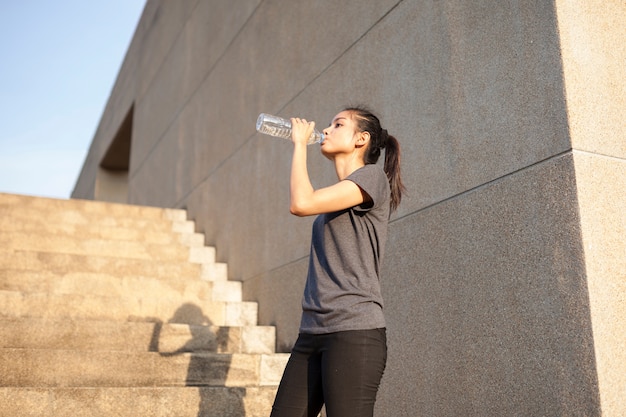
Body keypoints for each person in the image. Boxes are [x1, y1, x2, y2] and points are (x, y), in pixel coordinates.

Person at [270, 106, 405, 417]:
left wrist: (299, 145)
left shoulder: (372, 177)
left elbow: (301, 203)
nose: (326, 130)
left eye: (338, 124)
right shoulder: (336, 198)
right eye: (328, 124)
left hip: (353, 333)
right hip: (312, 332)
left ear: (361, 139)